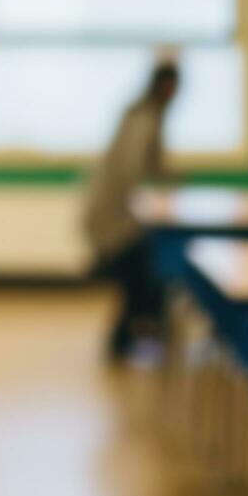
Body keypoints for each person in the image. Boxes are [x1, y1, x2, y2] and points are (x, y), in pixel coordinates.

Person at [82, 61, 180, 361]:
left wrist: (169, 179)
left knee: (138, 277)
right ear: (165, 87)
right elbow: (132, 170)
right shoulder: (144, 118)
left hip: (115, 213)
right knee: (143, 274)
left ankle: (130, 338)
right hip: (115, 217)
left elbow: (152, 166)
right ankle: (130, 339)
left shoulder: (143, 114)